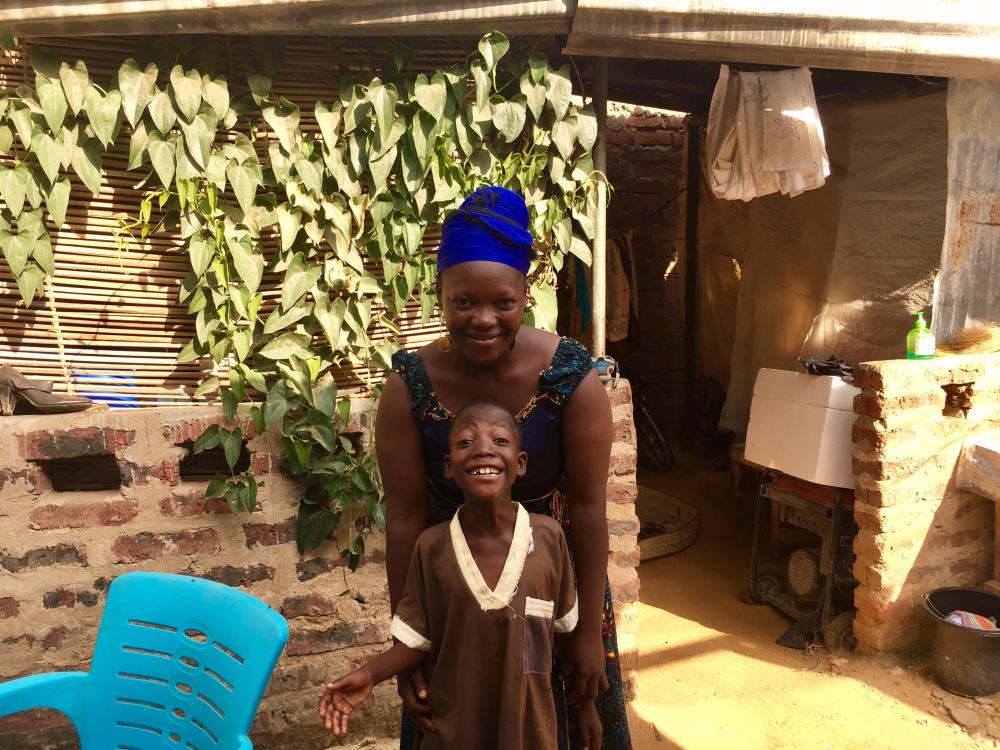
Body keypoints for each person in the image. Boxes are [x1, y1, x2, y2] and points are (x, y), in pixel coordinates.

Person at [377, 185, 632, 749]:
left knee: (554, 721)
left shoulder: (569, 376)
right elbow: (404, 519)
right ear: (440, 295)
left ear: (526, 292)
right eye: (463, 302)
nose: (483, 319)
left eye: (503, 303)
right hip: (454, 597)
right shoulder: (408, 386)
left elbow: (589, 510)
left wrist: (588, 632)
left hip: (550, 593)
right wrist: (409, 646)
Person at [320, 400, 603, 749]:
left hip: (530, 733)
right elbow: (416, 641)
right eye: (467, 442)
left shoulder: (547, 539)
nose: (484, 449)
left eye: (500, 441)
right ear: (449, 467)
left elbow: (561, 636)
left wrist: (585, 707)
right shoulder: (432, 547)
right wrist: (369, 674)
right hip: (452, 732)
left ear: (522, 462)